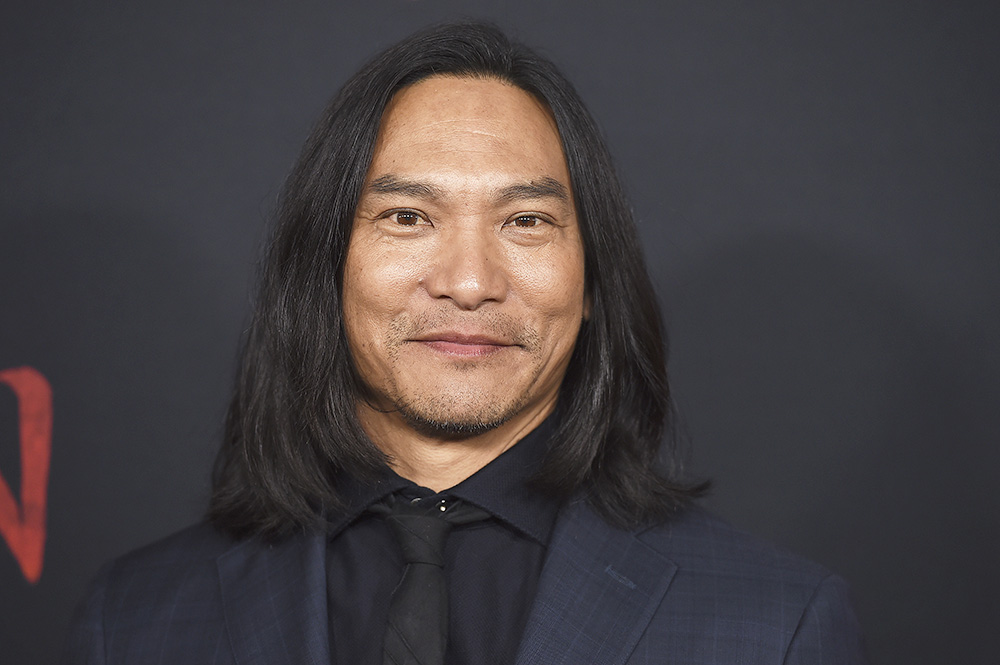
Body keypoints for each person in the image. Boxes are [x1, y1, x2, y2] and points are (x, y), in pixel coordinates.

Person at [63, 21, 867, 665]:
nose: (470, 281)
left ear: (591, 283)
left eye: (526, 221)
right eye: (408, 217)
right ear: (325, 266)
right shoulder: (133, 618)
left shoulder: (775, 625)